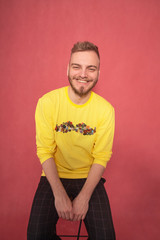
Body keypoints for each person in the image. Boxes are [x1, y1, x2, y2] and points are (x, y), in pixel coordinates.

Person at [27, 41, 116, 240]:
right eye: (77, 66)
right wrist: (58, 194)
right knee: (35, 235)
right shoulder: (47, 103)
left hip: (88, 176)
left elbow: (101, 156)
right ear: (68, 69)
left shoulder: (106, 110)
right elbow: (45, 151)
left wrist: (84, 197)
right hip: (54, 175)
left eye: (90, 68)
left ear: (98, 74)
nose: (83, 74)